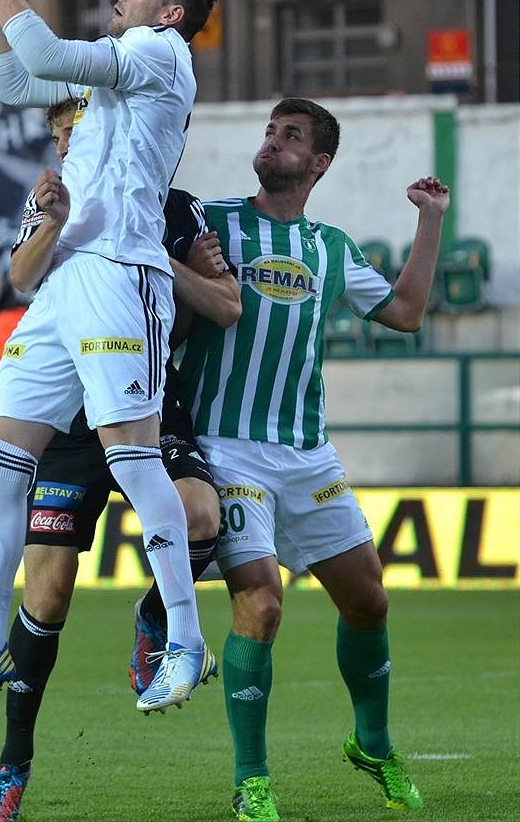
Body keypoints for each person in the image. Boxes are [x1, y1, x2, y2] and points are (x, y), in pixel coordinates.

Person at [0, 0, 220, 715]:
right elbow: (18, 75)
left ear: (172, 11)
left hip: (123, 273)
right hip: (65, 281)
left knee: (132, 455)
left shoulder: (159, 53)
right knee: (2, 452)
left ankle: (186, 641)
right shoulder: (106, 76)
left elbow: (43, 44)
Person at [178, 98, 450, 821]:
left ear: (319, 162)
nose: (273, 142)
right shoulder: (212, 221)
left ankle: (372, 743)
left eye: (290, 135)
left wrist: (430, 221)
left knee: (369, 599)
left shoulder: (330, 248)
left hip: (306, 452)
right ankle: (252, 779)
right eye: (271, 131)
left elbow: (407, 313)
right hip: (225, 445)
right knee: (262, 604)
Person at [0, 97, 239, 822]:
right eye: (57, 132)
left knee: (200, 517)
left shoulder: (173, 207)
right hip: (68, 419)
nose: (64, 140)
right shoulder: (51, 196)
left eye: (75, 127)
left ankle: (155, 617)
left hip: (142, 394)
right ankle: (12, 764)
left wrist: (153, 256)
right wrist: (53, 223)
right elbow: (20, 275)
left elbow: (225, 304)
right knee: (48, 593)